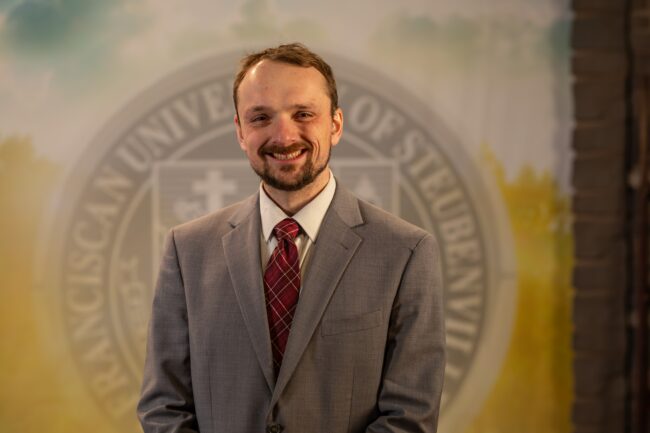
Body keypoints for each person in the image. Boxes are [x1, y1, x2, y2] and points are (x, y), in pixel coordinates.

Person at [137, 43, 445, 433]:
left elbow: (409, 418)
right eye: (260, 117)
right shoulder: (187, 250)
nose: (283, 135)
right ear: (239, 131)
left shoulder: (406, 253)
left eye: (303, 114)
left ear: (335, 124)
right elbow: (164, 407)